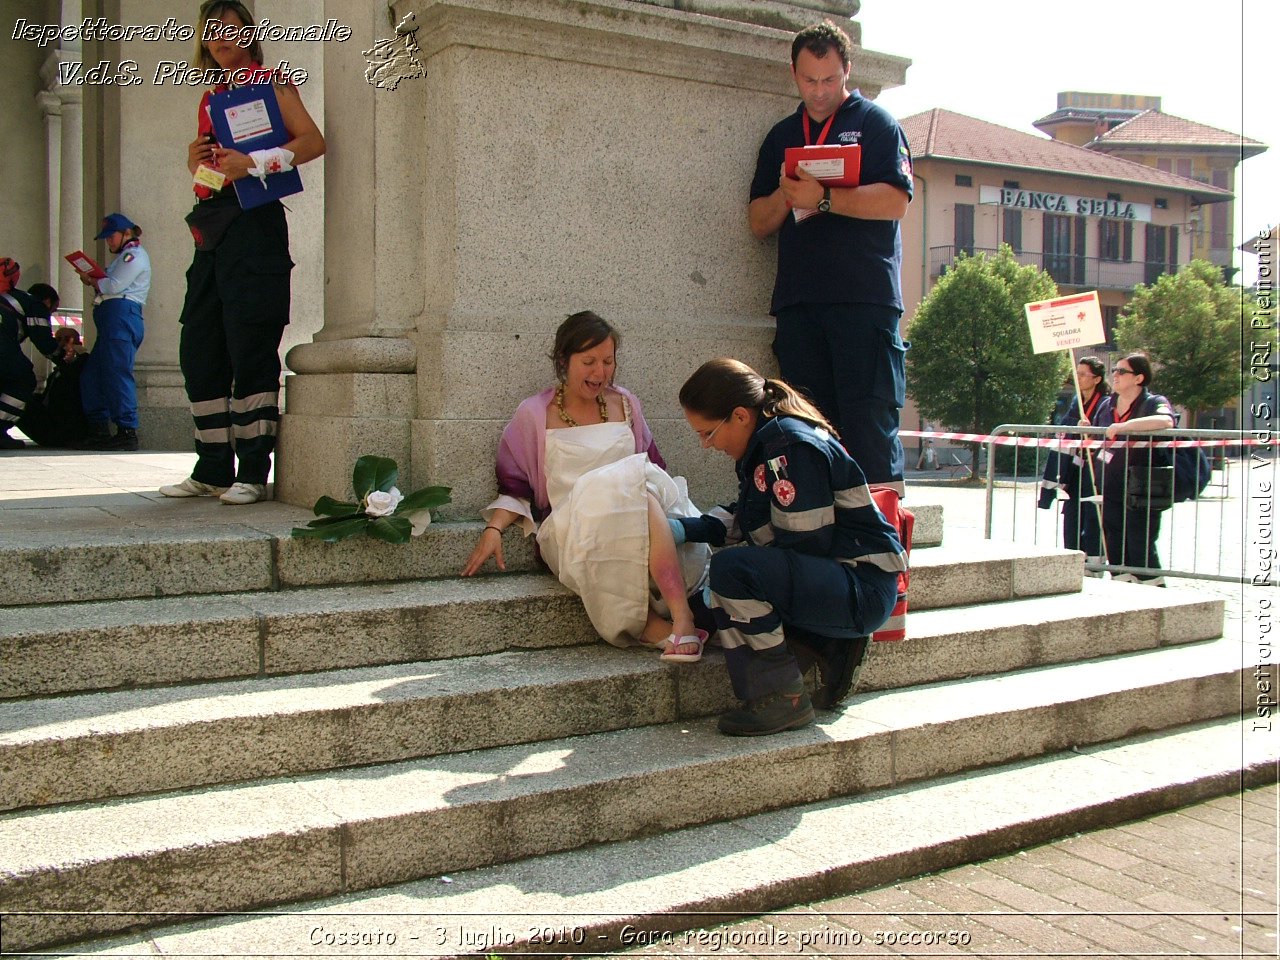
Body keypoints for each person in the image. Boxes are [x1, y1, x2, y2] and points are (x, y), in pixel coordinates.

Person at [677, 358, 908, 736]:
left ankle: (784, 699)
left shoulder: (790, 448)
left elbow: (804, 544)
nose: (707, 445)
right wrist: (683, 529)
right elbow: (749, 518)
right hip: (839, 580)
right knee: (711, 605)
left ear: (739, 416)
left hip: (858, 586)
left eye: (708, 433)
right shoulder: (768, 442)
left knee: (731, 574)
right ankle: (825, 646)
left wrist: (724, 584)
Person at [462, 311, 711, 659]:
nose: (600, 372)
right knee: (629, 487)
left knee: (638, 486)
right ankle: (682, 619)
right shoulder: (534, 414)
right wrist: (494, 528)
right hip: (573, 527)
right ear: (564, 361)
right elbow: (515, 486)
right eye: (589, 361)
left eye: (608, 361)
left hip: (640, 515)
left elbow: (652, 467)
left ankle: (672, 628)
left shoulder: (626, 404)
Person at [160, 0, 324, 505]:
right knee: (200, 344)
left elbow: (313, 142)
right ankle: (211, 467)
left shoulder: (274, 82)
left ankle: (252, 471)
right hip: (215, 226)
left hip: (257, 222)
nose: (220, 37)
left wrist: (251, 162)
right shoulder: (210, 98)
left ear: (248, 34)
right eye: (212, 31)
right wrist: (199, 164)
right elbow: (212, 170)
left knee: (250, 341)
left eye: (230, 28)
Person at [748, 20, 914, 494]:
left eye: (829, 80)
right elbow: (758, 222)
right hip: (800, 306)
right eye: (808, 80)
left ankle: (885, 557)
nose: (819, 92)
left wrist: (823, 198)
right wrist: (787, 195)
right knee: (805, 431)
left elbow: (897, 202)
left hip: (865, 303)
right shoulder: (782, 135)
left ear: (847, 71)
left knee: (868, 428)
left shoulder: (876, 123)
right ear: (794, 76)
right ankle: (818, 546)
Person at [1095, 353, 1174, 585]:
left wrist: (1126, 426)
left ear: (1139, 378)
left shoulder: (1154, 402)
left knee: (1141, 543)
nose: (1115, 376)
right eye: (1114, 371)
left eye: (1122, 371)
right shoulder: (1106, 405)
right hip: (1111, 482)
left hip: (1144, 483)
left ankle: (1155, 592)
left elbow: (1165, 422)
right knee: (1114, 539)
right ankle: (1122, 587)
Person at [78, 213, 149, 450]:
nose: (108, 242)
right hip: (112, 319)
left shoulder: (134, 255)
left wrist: (94, 280)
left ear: (127, 233)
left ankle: (127, 431)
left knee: (118, 373)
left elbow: (114, 285)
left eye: (111, 236)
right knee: (93, 375)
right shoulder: (123, 258)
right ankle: (99, 430)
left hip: (121, 316)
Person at [1038, 357, 1111, 564]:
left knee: (1093, 516)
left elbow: (1105, 432)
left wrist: (1091, 429)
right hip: (1074, 467)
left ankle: (1094, 563)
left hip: (1096, 470)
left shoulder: (1106, 402)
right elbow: (1067, 425)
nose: (1077, 378)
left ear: (1096, 379)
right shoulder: (1077, 401)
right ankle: (1071, 558)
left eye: (1082, 374)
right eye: (1076, 373)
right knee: (1071, 514)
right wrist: (1076, 425)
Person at [16, 291, 89, 448]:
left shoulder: (82, 363)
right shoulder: (58, 369)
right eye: (58, 340)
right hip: (52, 420)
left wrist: (72, 360)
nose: (61, 344)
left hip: (64, 427)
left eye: (67, 340)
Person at [0, 261, 60, 450]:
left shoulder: (8, 299)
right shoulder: (34, 304)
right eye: (53, 310)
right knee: (23, 379)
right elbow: (44, 342)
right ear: (48, 302)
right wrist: (63, 357)